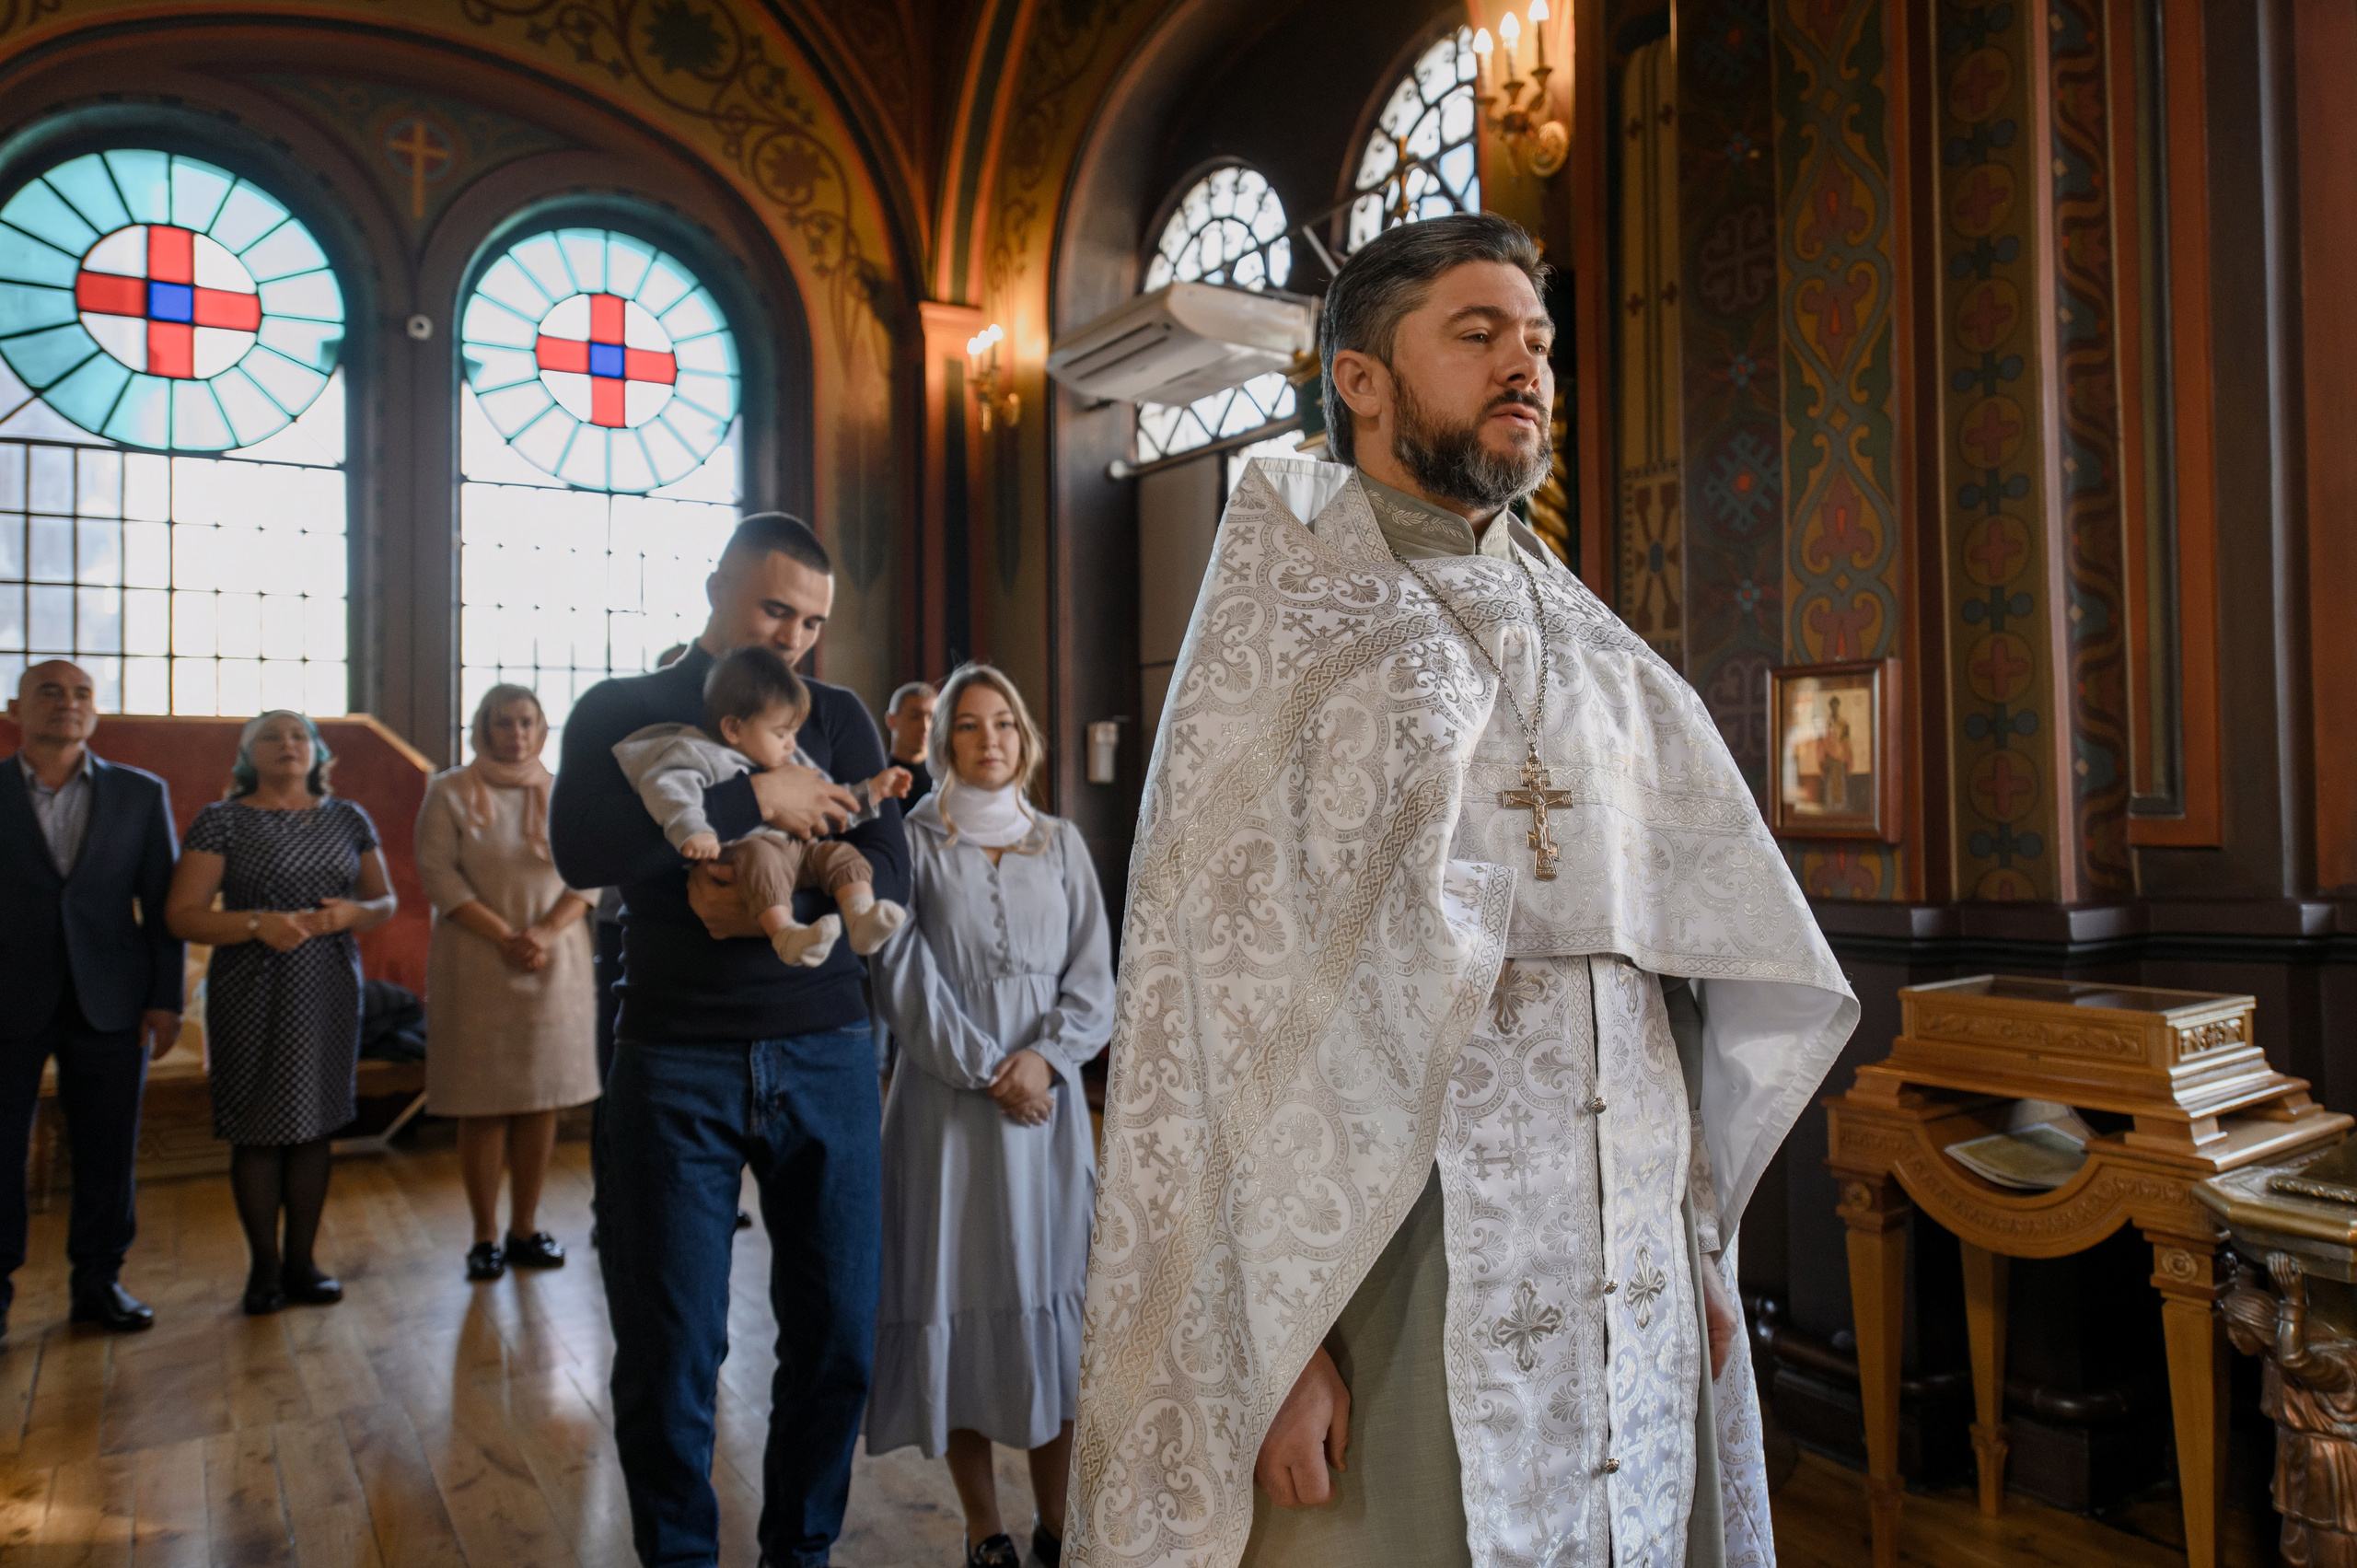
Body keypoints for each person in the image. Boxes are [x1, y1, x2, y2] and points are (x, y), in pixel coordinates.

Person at [1065, 215, 1860, 1568]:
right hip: (1393, 1255)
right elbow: (1220, 1003)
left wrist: (1693, 1236)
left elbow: (1663, 968)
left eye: (1539, 340)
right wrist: (1274, 1341)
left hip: (1626, 1235)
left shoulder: (1581, 627)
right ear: (1360, 378)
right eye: (1478, 333)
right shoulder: (1289, 612)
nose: (1525, 366)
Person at [550, 511, 911, 1568]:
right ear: (715, 587)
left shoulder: (835, 713)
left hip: (829, 1045)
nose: (794, 635)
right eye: (773, 608)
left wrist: (819, 873)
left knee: (838, 1337)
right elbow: (582, 848)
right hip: (675, 1054)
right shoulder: (623, 708)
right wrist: (756, 793)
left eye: (810, 618)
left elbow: (886, 849)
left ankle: (799, 1550)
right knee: (670, 1351)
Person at [866, 664, 1113, 1568]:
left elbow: (1093, 974)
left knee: (1052, 1310)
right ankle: (986, 1529)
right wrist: (986, 1069)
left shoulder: (1060, 842)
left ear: (1026, 737)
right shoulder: (912, 842)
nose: (989, 738)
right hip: (947, 1114)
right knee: (958, 1299)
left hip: (1046, 1111)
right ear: (941, 743)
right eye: (967, 725)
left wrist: (1043, 1060)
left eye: (1004, 721)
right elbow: (899, 974)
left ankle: (1055, 1523)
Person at [166, 711, 396, 1317]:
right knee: (258, 1125)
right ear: (248, 754)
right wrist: (253, 923)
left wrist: (352, 915)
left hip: (328, 982)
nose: (287, 744)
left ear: (319, 751)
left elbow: (383, 900)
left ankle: (303, 1261)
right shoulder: (222, 820)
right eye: (271, 735)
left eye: (299, 735)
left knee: (317, 1122)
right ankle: (263, 1270)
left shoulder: (348, 817)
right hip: (250, 983)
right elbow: (183, 914)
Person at [0, 659, 182, 1340]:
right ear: (15, 707)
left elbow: (161, 904)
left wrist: (166, 998)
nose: (66, 704)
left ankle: (98, 1282)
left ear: (95, 714)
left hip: (111, 998)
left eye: (81, 694)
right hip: (8, 998)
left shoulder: (140, 793)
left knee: (107, 1149)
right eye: (49, 691)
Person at [416, 685, 599, 1282]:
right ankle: (485, 1235)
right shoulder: (448, 790)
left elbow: (591, 872)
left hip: (554, 960)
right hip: (477, 959)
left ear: (542, 730)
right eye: (502, 722)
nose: (515, 733)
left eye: (526, 722)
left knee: (540, 1097)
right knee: (484, 1100)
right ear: (481, 729)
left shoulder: (567, 791)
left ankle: (525, 1227)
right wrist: (506, 935)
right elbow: (438, 874)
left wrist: (544, 933)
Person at [613, 645, 911, 968]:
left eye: (794, 732)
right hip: (745, 854)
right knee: (762, 857)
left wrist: (871, 794)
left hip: (798, 852)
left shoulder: (791, 760)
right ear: (734, 728)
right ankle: (786, 933)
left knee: (840, 855)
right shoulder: (699, 752)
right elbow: (666, 786)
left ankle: (861, 918)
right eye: (781, 733)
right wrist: (692, 829)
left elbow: (829, 801)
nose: (792, 744)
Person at [883, 680, 938, 804]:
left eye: (932, 718)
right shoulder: (878, 782)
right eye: (915, 717)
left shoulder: (943, 782)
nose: (925, 727)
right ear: (891, 720)